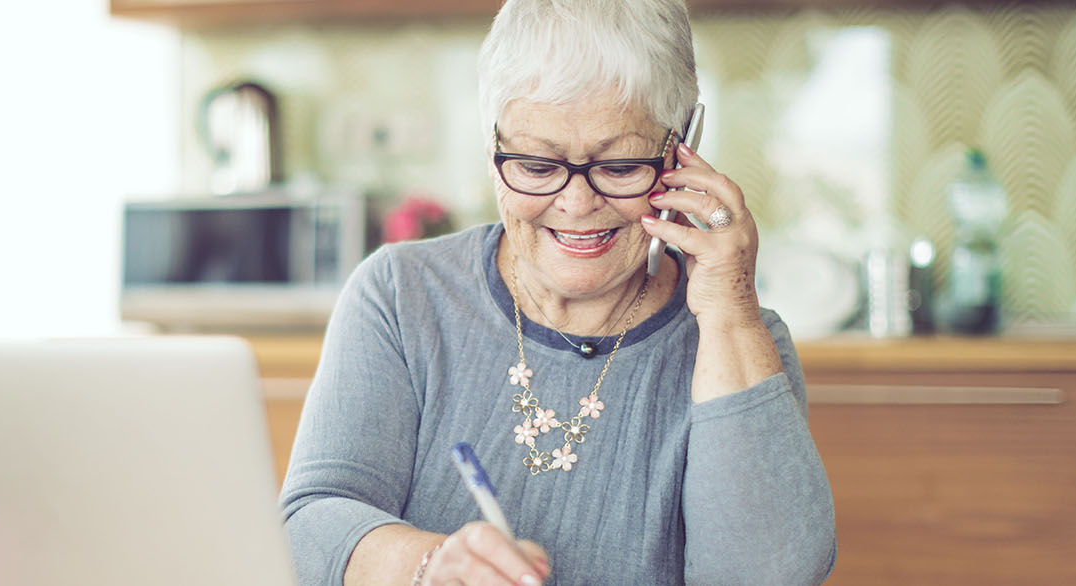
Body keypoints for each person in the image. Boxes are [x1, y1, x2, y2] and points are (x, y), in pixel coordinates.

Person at [278, 0, 837, 584]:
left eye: (620, 166)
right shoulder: (401, 293)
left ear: (683, 149)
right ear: (493, 152)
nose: (575, 205)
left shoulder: (742, 336)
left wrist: (729, 317)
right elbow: (309, 522)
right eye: (537, 165)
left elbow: (772, 575)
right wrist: (429, 566)